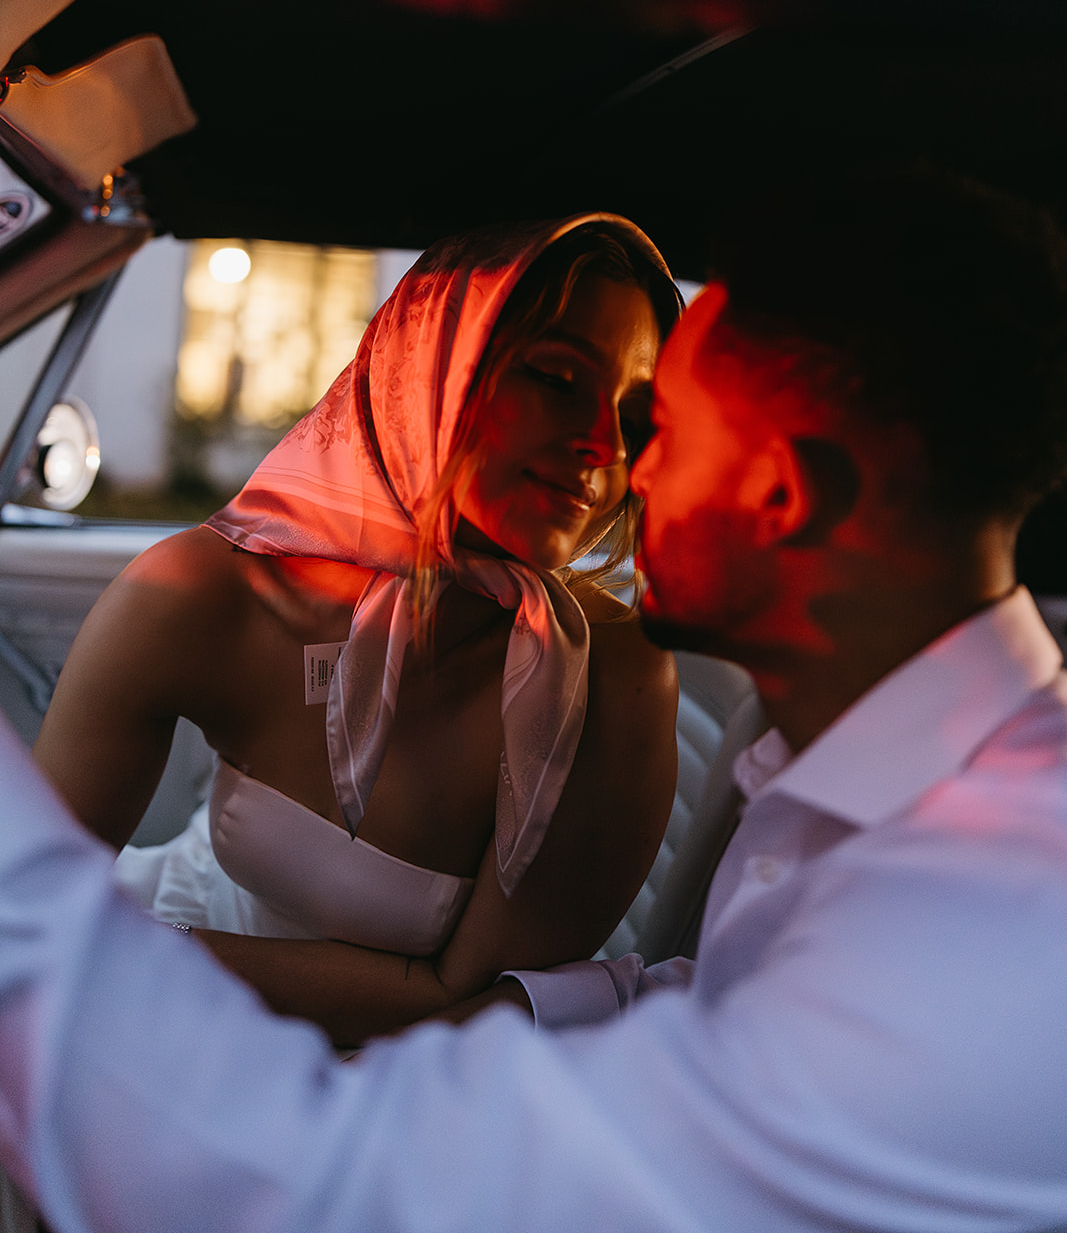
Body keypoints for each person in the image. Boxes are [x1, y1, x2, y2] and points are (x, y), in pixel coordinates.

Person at [3, 163, 1067, 1231]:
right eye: (564, 383)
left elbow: (344, 1182)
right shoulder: (847, 795)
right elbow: (711, 1013)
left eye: (662, 425)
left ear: (781, 492)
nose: (620, 467)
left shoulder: (974, 917)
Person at [29, 213, 681, 1049]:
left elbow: (461, 1000)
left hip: (400, 1071)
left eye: (635, 414)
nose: (604, 447)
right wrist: (115, 957)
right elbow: (36, 907)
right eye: (557, 378)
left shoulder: (612, 680)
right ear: (428, 368)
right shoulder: (198, 594)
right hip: (156, 959)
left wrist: (130, 957)